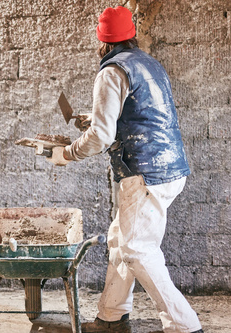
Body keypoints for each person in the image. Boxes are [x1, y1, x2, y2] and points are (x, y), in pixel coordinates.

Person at [46, 6, 204, 333]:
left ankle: (186, 326)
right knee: (120, 241)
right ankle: (111, 317)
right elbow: (142, 114)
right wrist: (96, 118)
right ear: (129, 35)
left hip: (144, 172)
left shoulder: (110, 72)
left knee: (136, 249)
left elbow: (101, 138)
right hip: (170, 169)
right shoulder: (148, 64)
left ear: (102, 42)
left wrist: (66, 154)